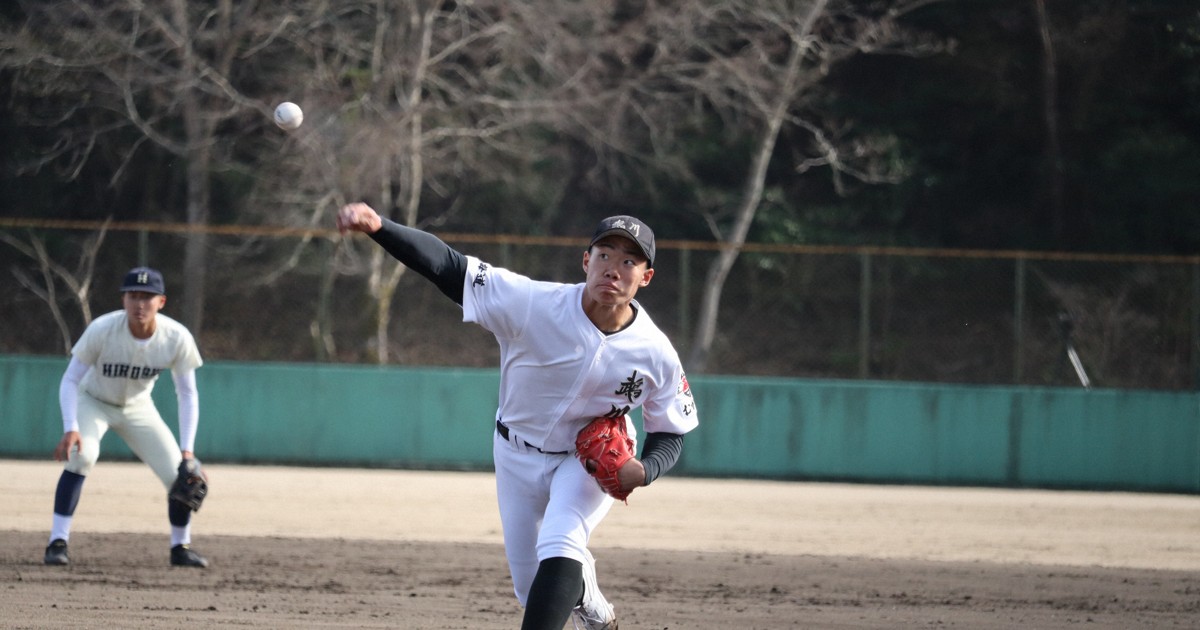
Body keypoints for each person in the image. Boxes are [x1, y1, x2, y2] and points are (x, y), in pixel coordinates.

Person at [337, 203, 699, 630]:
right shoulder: (533, 303)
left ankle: (573, 583)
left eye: (628, 260)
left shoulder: (655, 352)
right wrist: (380, 228)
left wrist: (645, 470)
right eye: (604, 255)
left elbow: (671, 430)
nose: (613, 268)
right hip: (515, 453)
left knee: (561, 542)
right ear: (586, 261)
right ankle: (589, 599)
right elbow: (449, 267)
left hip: (583, 461)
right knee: (532, 589)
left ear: (646, 277)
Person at [43, 266, 209, 568]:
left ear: (161, 302)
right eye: (133, 295)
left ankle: (180, 547)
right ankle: (58, 541)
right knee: (83, 456)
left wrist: (188, 451)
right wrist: (71, 427)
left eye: (147, 297)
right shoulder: (102, 329)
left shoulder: (176, 337)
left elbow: (187, 394)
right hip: (93, 401)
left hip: (138, 407)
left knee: (179, 475)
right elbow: (70, 380)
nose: (139, 303)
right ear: (124, 300)